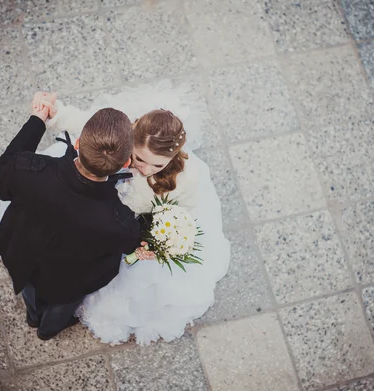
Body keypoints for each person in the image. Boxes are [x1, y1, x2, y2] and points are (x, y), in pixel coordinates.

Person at [29, 81, 231, 345]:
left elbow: (183, 214)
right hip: (91, 210)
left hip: (124, 231)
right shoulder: (122, 136)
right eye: (139, 158)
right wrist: (56, 112)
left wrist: (160, 241)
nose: (145, 169)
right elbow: (86, 125)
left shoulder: (186, 179)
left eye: (158, 164)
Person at [0, 92, 150, 341]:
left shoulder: (29, 170)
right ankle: (47, 329)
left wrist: (37, 120)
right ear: (126, 162)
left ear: (77, 143)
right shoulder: (118, 221)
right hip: (68, 281)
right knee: (60, 307)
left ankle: (33, 316)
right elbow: (130, 244)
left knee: (29, 289)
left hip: (21, 253)